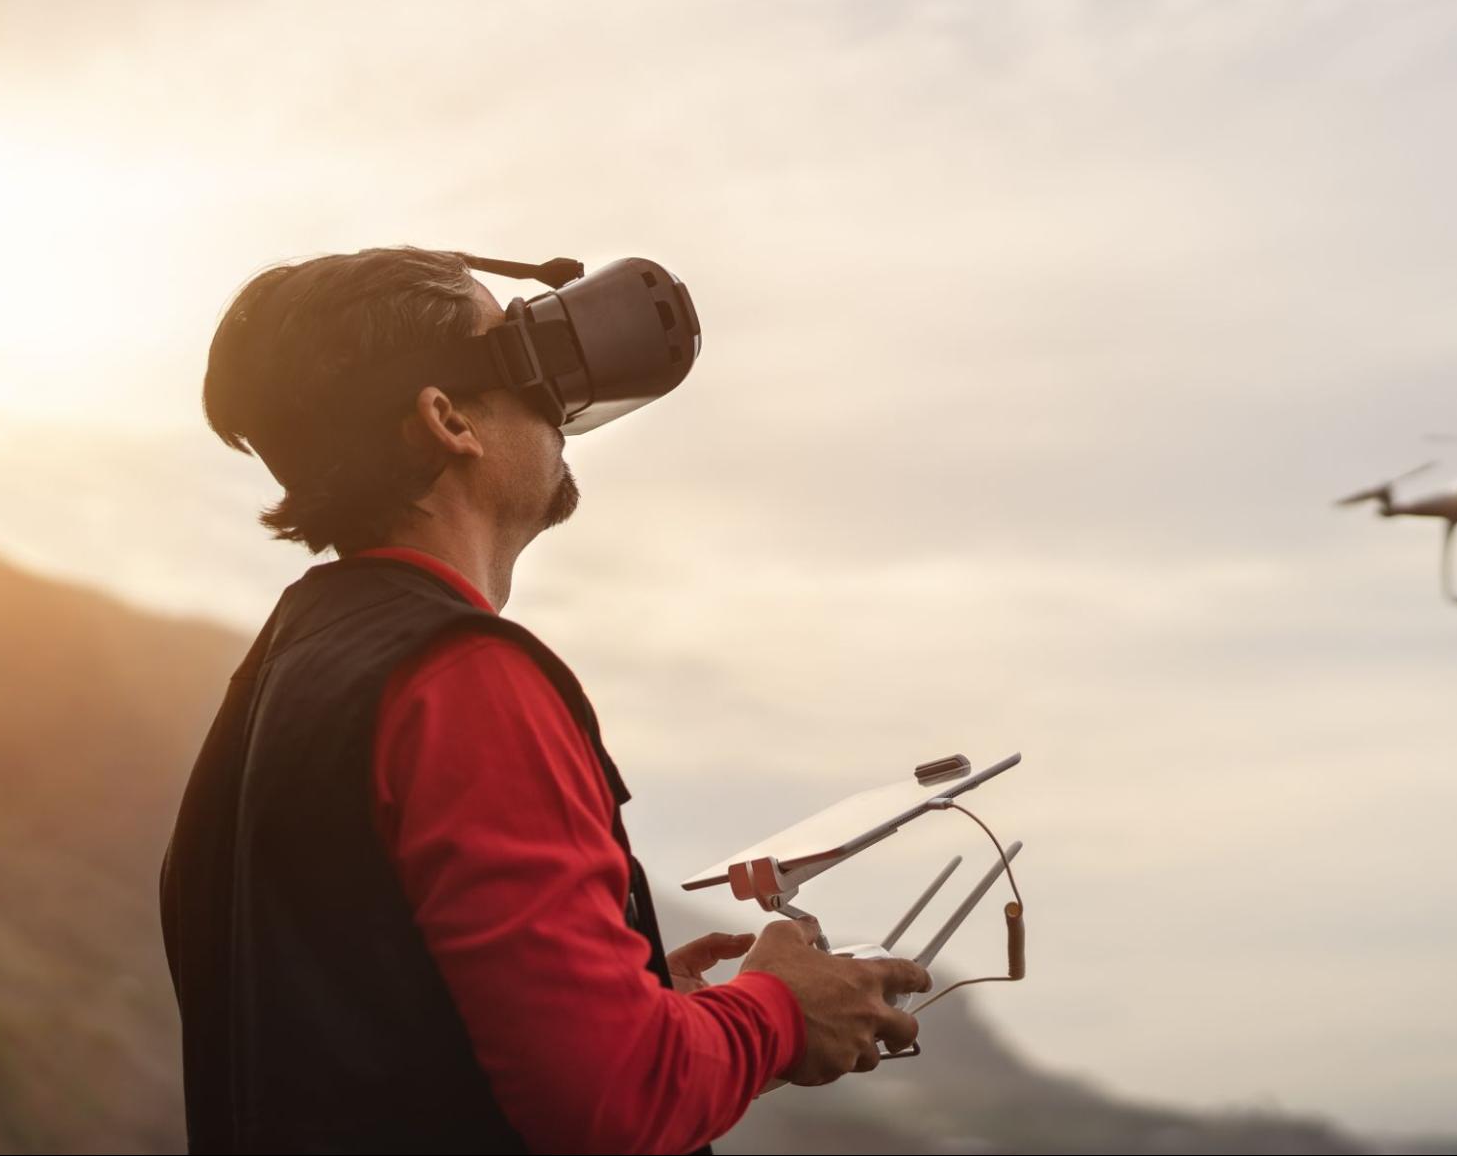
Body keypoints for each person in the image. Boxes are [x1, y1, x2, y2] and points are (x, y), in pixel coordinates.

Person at [160, 247, 927, 1154]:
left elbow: (360, 1027)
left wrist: (643, 1004)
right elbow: (616, 1101)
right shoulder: (461, 677)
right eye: (519, 344)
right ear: (447, 420)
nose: (561, 404)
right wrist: (778, 1012)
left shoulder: (286, 668)